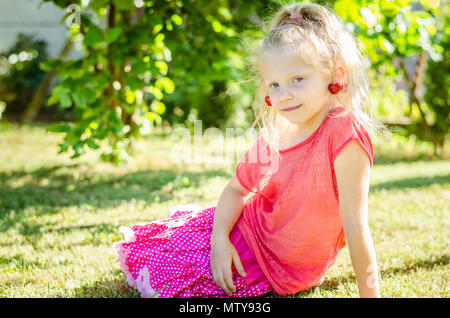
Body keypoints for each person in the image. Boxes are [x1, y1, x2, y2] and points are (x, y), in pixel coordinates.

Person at [114, 2, 389, 298]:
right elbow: (235, 191)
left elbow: (355, 223)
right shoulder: (277, 136)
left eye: (298, 79)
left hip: (284, 264)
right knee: (174, 262)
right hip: (245, 234)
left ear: (333, 75)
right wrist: (220, 240)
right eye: (274, 84)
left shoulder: (344, 131)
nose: (284, 95)